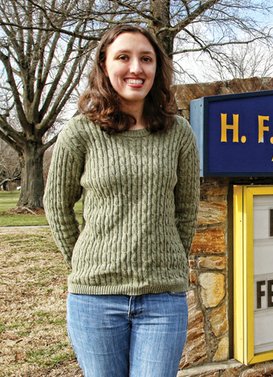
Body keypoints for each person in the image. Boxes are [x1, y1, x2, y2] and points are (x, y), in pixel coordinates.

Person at [44, 24, 199, 377]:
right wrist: (84, 258)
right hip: (94, 299)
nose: (136, 68)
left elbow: (187, 209)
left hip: (162, 299)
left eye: (146, 59)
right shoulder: (80, 132)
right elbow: (57, 205)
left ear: (158, 68)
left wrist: (171, 259)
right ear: (104, 65)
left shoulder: (178, 134)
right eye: (123, 57)